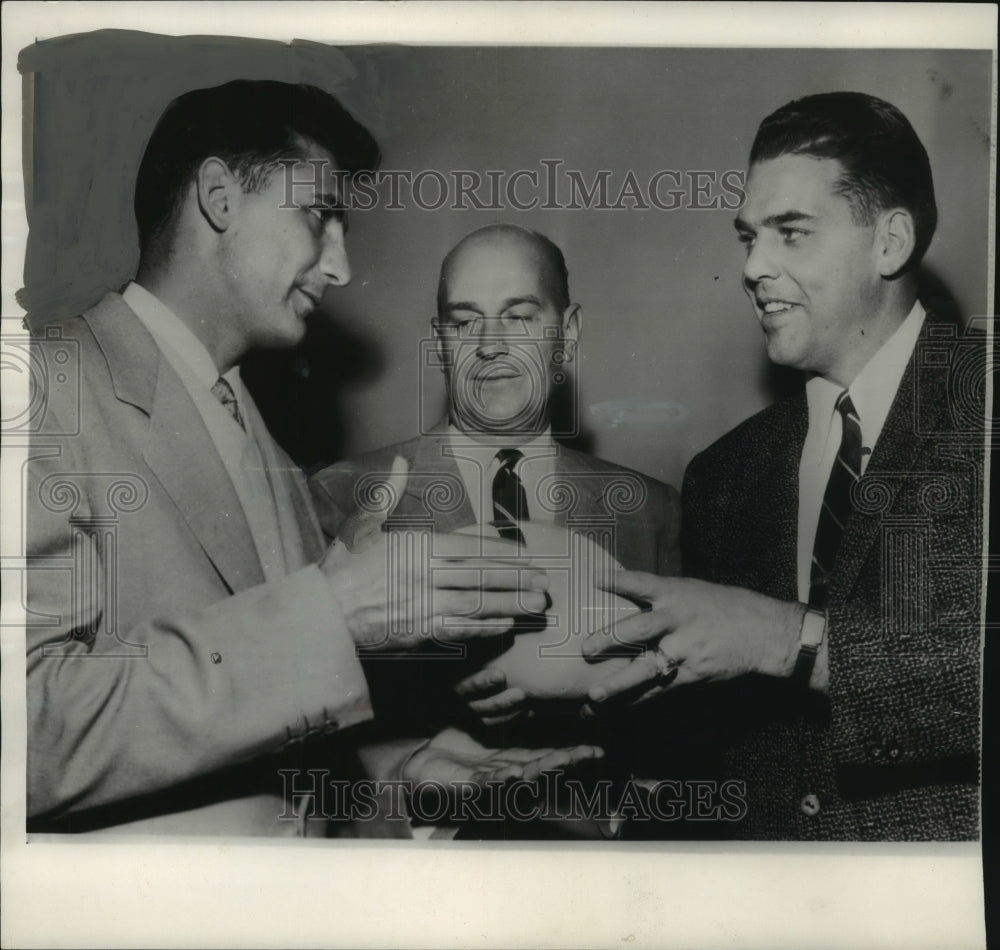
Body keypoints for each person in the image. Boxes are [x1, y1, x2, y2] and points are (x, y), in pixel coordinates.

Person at [24, 81, 599, 836]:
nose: (341, 266)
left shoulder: (269, 451)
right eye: (320, 216)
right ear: (220, 198)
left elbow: (262, 755)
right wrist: (332, 615)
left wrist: (401, 777)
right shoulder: (38, 387)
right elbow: (26, 734)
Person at [582, 92, 983, 840]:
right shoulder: (726, 474)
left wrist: (784, 640)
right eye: (748, 237)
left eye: (791, 233)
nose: (753, 267)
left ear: (890, 242)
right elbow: (711, 751)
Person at [310, 223, 680, 718]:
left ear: (567, 332)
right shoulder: (341, 496)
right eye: (464, 323)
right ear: (440, 340)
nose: (490, 344)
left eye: (519, 317)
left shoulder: (653, 511)